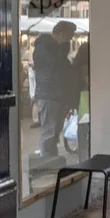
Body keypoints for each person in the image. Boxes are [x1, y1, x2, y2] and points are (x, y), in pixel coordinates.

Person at [33, 20, 76, 161]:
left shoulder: (55, 48)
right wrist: (63, 48)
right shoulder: (42, 48)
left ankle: (51, 159)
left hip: (57, 94)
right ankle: (47, 162)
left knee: (55, 130)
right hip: (49, 94)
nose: (69, 40)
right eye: (69, 36)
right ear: (61, 34)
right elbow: (54, 67)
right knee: (49, 131)